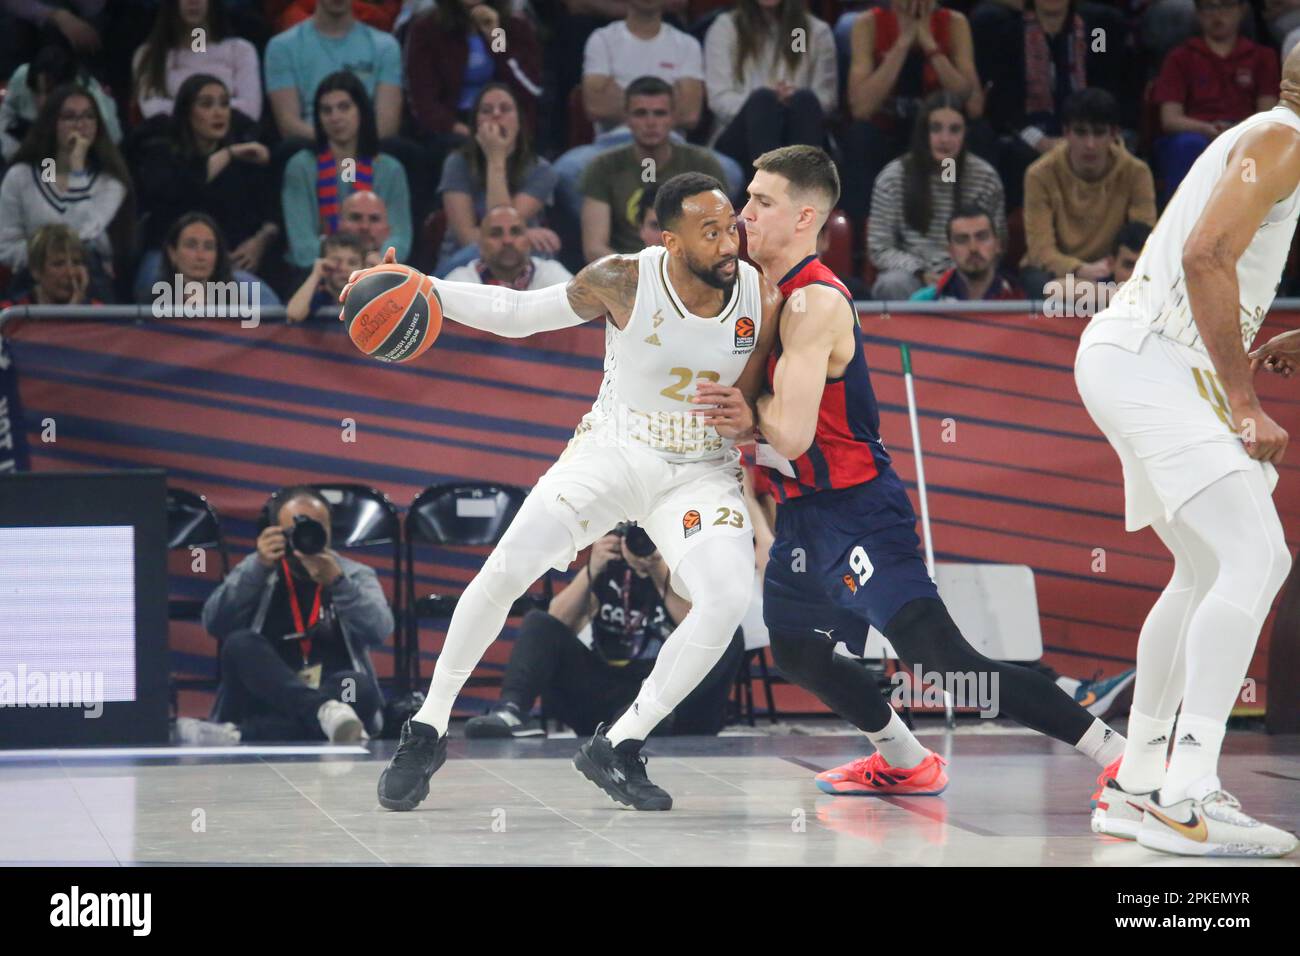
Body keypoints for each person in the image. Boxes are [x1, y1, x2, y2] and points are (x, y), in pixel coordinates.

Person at [694, 144, 1126, 800]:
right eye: (747, 196)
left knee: (950, 667)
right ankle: (904, 759)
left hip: (858, 511)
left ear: (805, 216)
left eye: (762, 201)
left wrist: (743, 415)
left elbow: (791, 432)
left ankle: (1119, 756)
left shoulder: (816, 303)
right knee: (795, 650)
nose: (744, 210)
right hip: (805, 515)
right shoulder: (766, 290)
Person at [346, 170, 784, 812]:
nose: (728, 243)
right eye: (710, 232)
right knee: (506, 570)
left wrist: (751, 415)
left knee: (727, 597)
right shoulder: (625, 278)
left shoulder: (759, 292)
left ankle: (621, 744)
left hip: (699, 467)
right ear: (670, 241)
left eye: (732, 228)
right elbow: (521, 315)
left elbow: (763, 391)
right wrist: (426, 287)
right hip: (614, 448)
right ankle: (429, 727)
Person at [1073, 48, 1300, 858]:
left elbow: (1214, 262)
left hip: (1149, 359)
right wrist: (1243, 401)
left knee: (1205, 571)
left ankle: (1138, 786)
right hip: (1156, 359)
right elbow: (1207, 256)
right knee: (1256, 556)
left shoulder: (1270, 137)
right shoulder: (1285, 139)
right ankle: (1190, 792)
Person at [465, 526, 743, 738]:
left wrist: (659, 569)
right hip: (605, 689)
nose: (637, 546)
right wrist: (592, 569)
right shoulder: (606, 566)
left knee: (727, 634)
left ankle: (641, 718)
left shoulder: (675, 558)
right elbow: (557, 621)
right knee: (538, 622)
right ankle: (510, 712)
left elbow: (695, 623)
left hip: (664, 692)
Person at [193, 485, 391, 744]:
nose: (305, 536)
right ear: (276, 532)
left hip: (335, 692)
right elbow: (214, 623)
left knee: (359, 687)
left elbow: (381, 630)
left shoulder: (352, 574)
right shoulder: (258, 570)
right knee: (239, 643)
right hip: (266, 692)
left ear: (330, 531)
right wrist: (257, 568)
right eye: (295, 530)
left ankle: (242, 735)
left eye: (317, 527)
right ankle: (323, 714)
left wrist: (339, 583)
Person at [132, 73, 278, 302]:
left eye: (224, 104)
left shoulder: (242, 160)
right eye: (207, 104)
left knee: (264, 299)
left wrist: (260, 241)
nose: (218, 112)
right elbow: (188, 186)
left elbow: (271, 213)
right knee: (156, 288)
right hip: (167, 260)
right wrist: (229, 153)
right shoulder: (162, 155)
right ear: (187, 112)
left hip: (222, 264)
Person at [840, 0, 985, 223]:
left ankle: (966, 228)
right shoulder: (868, 24)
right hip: (888, 133)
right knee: (860, 136)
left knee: (979, 133)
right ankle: (863, 239)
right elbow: (861, 108)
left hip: (939, 135)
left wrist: (930, 44)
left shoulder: (955, 23)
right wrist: (903, 42)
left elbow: (973, 104)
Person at [867, 90, 1006, 300]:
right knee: (892, 283)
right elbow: (880, 248)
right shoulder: (893, 178)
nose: (945, 139)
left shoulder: (984, 177)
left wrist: (956, 272)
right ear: (923, 132)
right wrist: (921, 272)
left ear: (965, 133)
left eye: (955, 130)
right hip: (913, 276)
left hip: (967, 271)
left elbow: (996, 243)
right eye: (936, 129)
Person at [1020, 89, 1156, 299]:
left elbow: (1141, 242)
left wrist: (1111, 269)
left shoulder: (1137, 172)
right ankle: (1110, 301)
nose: (1090, 144)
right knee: (1038, 282)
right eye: (1081, 132)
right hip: (1060, 273)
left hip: (1111, 270)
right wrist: (1079, 270)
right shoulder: (1038, 174)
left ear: (1114, 134)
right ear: (1066, 133)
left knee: (1144, 279)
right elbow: (1040, 250)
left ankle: (1103, 300)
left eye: (1099, 133)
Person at [579, 76, 726, 262]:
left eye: (660, 113)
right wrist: (643, 274)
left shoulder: (702, 165)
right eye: (641, 113)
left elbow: (718, 235)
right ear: (627, 118)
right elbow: (594, 249)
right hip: (625, 276)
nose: (650, 122)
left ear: (673, 117)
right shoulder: (603, 167)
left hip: (688, 270)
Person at [0, 83, 130, 285]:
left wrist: (78, 169)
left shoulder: (110, 182)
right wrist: (48, 262)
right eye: (69, 117)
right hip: (34, 279)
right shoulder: (22, 176)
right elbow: (5, 246)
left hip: (89, 277)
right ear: (51, 123)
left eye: (88, 116)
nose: (80, 125)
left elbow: (83, 233)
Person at [281, 71, 412, 271]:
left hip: (376, 268)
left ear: (361, 111)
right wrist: (341, 262)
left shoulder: (390, 169)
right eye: (326, 110)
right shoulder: (300, 167)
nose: (335, 117)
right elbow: (302, 244)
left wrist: (377, 263)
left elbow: (400, 236)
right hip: (316, 270)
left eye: (344, 107)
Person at [1152, 0, 1279, 204]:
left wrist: (1235, 131)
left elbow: (1267, 116)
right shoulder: (1180, 57)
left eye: (1226, 5)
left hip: (1245, 133)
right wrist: (1208, 129)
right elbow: (1170, 119)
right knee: (1187, 145)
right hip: (1195, 133)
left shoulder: (1263, 57)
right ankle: (1181, 224)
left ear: (1242, 10)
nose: (1218, 14)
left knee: (1258, 147)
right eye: (1209, 7)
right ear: (1198, 13)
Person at [435, 82, 558, 276]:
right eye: (486, 110)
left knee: (545, 255)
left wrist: (495, 158)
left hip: (520, 253)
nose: (496, 115)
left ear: (519, 121)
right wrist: (496, 158)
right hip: (465, 257)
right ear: (475, 123)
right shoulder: (457, 164)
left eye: (505, 109)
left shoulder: (541, 170)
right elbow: (470, 237)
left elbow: (505, 229)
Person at [703, 0, 838, 173]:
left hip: (797, 126)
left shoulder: (813, 31)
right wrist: (762, 106)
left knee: (804, 99)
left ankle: (804, 189)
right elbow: (719, 98)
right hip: (740, 134)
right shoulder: (726, 28)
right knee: (764, 101)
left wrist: (789, 98)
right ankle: (767, 188)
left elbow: (827, 98)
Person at [403, 0, 543, 146]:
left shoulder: (515, 26)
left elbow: (530, 89)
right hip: (450, 130)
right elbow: (423, 102)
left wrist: (495, 36)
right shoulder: (426, 29)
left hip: (504, 122)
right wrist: (462, 131)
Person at [263, 0, 402, 141]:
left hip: (370, 148)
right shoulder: (281, 47)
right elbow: (288, 125)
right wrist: (339, 146)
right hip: (310, 147)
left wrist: (351, 148)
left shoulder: (385, 46)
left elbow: (387, 126)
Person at [131, 0, 262, 124]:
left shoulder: (240, 50)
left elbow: (250, 109)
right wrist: (217, 108)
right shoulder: (149, 55)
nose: (193, 1)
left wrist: (189, 108)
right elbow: (154, 110)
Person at [1, 41, 121, 161]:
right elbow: (4, 113)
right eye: (37, 92)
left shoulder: (93, 100)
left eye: (49, 92)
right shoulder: (21, 77)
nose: (43, 101)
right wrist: (13, 150)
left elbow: (113, 143)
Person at [140, 211, 281, 309]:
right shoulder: (154, 300)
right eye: (191, 245)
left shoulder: (248, 291)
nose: (200, 256)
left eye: (209, 247)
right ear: (172, 254)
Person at [910, 205, 1022, 301]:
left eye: (982, 237)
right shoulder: (924, 303)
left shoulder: (1021, 302)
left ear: (998, 245)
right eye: (962, 240)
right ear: (950, 251)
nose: (973, 248)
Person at [445, 204, 573, 288]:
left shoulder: (553, 276)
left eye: (516, 232)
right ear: (480, 244)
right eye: (495, 234)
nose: (507, 240)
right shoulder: (459, 283)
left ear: (528, 241)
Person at [0, 223, 103, 306]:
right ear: (36, 270)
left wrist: (76, 309)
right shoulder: (9, 315)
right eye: (59, 264)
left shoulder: (100, 314)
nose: (71, 272)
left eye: (76, 262)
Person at [285, 231, 365, 322]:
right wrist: (315, 275)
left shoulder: (369, 298)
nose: (343, 268)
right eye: (336, 261)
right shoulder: (317, 298)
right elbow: (293, 315)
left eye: (352, 263)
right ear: (323, 263)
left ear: (364, 267)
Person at [337, 190, 395, 267]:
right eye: (356, 218)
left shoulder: (404, 277)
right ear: (340, 225)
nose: (365, 226)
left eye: (374, 219)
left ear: (387, 230)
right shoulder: (320, 273)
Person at [1108, 220, 1151, 286]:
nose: (1136, 276)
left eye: (1145, 268)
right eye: (1129, 265)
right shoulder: (1092, 293)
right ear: (1111, 264)